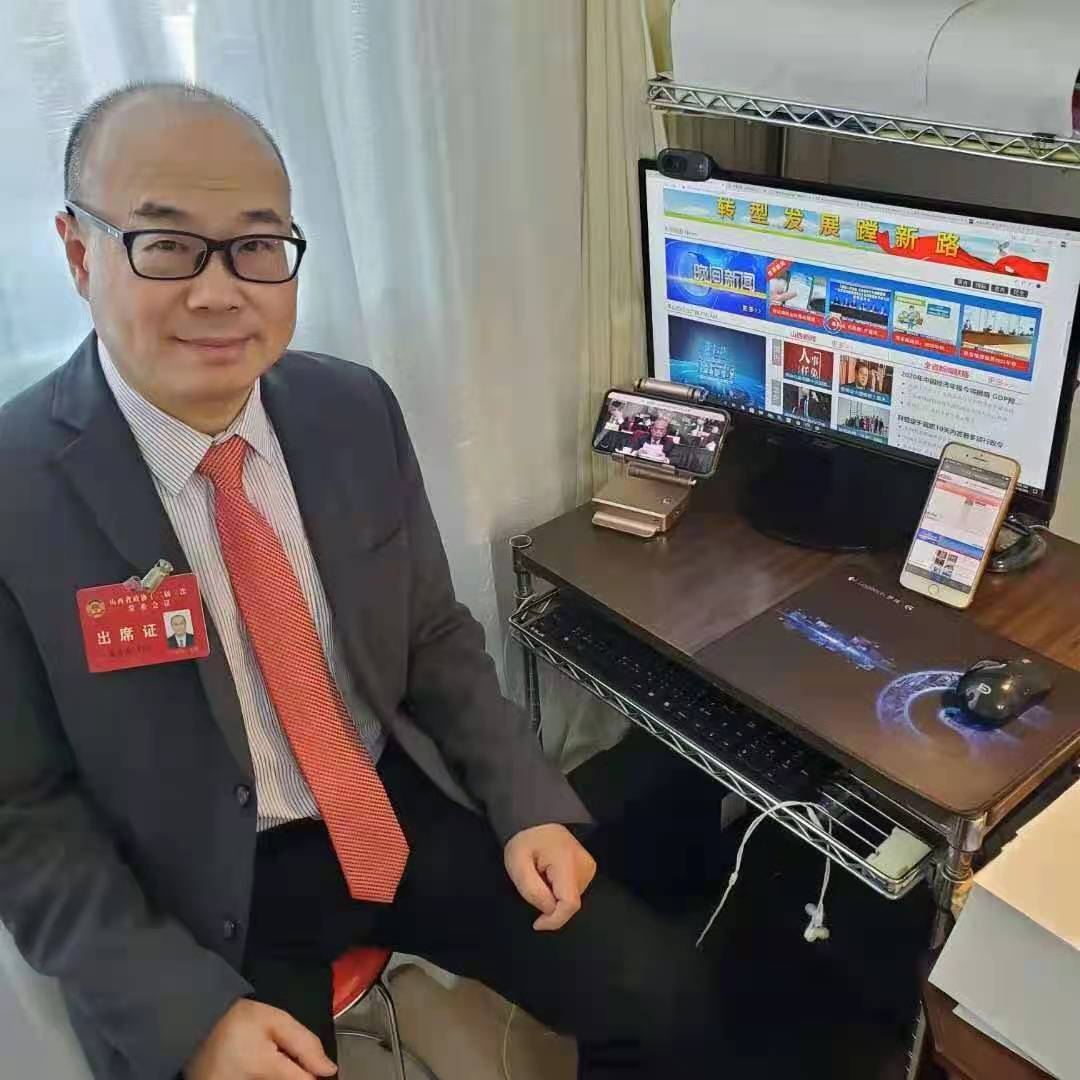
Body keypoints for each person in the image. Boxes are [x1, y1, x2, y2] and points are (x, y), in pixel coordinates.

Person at [0, 83, 730, 1080]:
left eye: (256, 245)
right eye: (166, 246)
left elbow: (434, 637)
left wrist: (530, 803)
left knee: (665, 999)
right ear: (80, 254)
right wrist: (185, 1015)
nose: (219, 292)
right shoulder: (18, 490)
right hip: (200, 887)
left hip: (388, 800)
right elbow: (24, 813)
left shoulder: (350, 409)